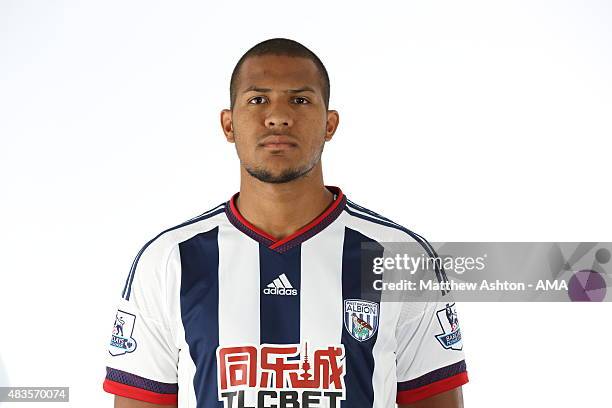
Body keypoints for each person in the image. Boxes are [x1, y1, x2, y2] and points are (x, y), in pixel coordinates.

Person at [102, 37, 468, 408]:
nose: (278, 116)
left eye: (300, 100)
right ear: (228, 125)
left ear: (330, 124)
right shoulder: (170, 260)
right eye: (258, 100)